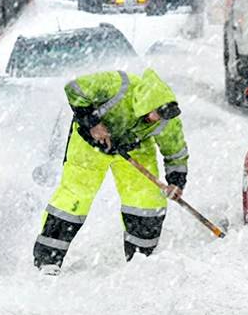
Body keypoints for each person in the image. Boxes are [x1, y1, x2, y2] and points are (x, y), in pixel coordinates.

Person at [33, 68, 189, 275]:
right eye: (154, 114)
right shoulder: (118, 85)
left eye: (161, 117)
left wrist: (176, 181)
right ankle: (48, 259)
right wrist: (93, 123)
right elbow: (74, 88)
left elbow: (175, 151)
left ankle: (142, 259)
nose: (156, 120)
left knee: (147, 199)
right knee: (75, 196)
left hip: (134, 146)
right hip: (90, 143)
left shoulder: (166, 118)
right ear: (145, 103)